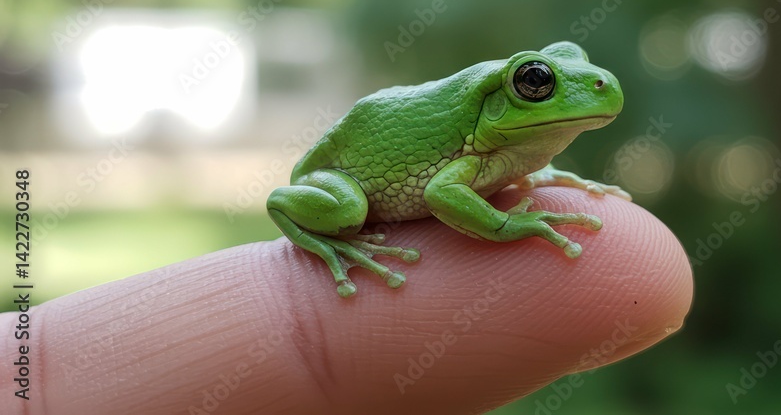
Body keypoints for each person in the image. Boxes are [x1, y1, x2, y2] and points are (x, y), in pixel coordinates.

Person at [1, 188, 693, 414]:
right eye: (537, 82)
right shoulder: (467, 148)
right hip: (347, 183)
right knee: (349, 204)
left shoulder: (501, 145)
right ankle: (331, 243)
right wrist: (518, 224)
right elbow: (444, 192)